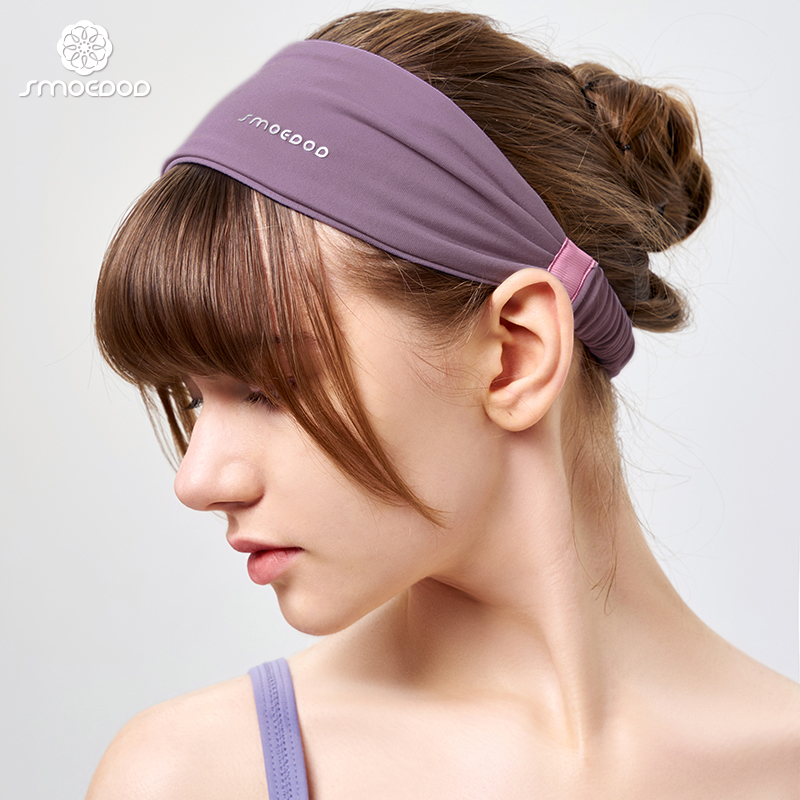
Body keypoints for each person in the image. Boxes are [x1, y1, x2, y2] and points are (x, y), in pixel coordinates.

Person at [86, 8, 799, 799]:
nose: (196, 480)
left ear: (517, 354)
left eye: (266, 389)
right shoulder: (197, 778)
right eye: (192, 400)